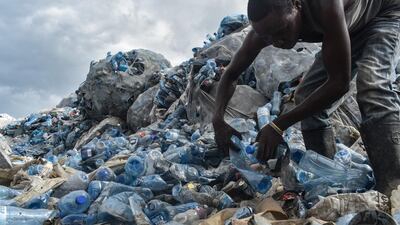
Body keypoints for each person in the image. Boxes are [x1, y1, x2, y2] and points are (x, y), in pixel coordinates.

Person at [212, 0, 400, 196]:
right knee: (305, 95)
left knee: (372, 85)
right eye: (269, 38)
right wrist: (217, 120)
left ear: (297, 4)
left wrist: (278, 125)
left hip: (384, 14)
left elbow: (339, 83)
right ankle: (329, 181)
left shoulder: (326, 7)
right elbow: (231, 74)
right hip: (344, 28)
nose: (278, 42)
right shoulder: (265, 32)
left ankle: (394, 185)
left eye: (282, 30)